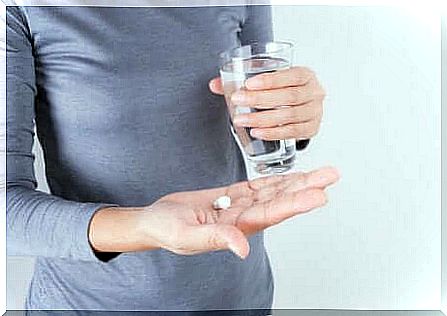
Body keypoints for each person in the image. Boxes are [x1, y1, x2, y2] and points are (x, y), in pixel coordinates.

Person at [6, 3, 339, 314]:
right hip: (89, 304)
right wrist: (143, 226)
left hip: (240, 295)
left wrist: (292, 113)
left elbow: (256, 107)